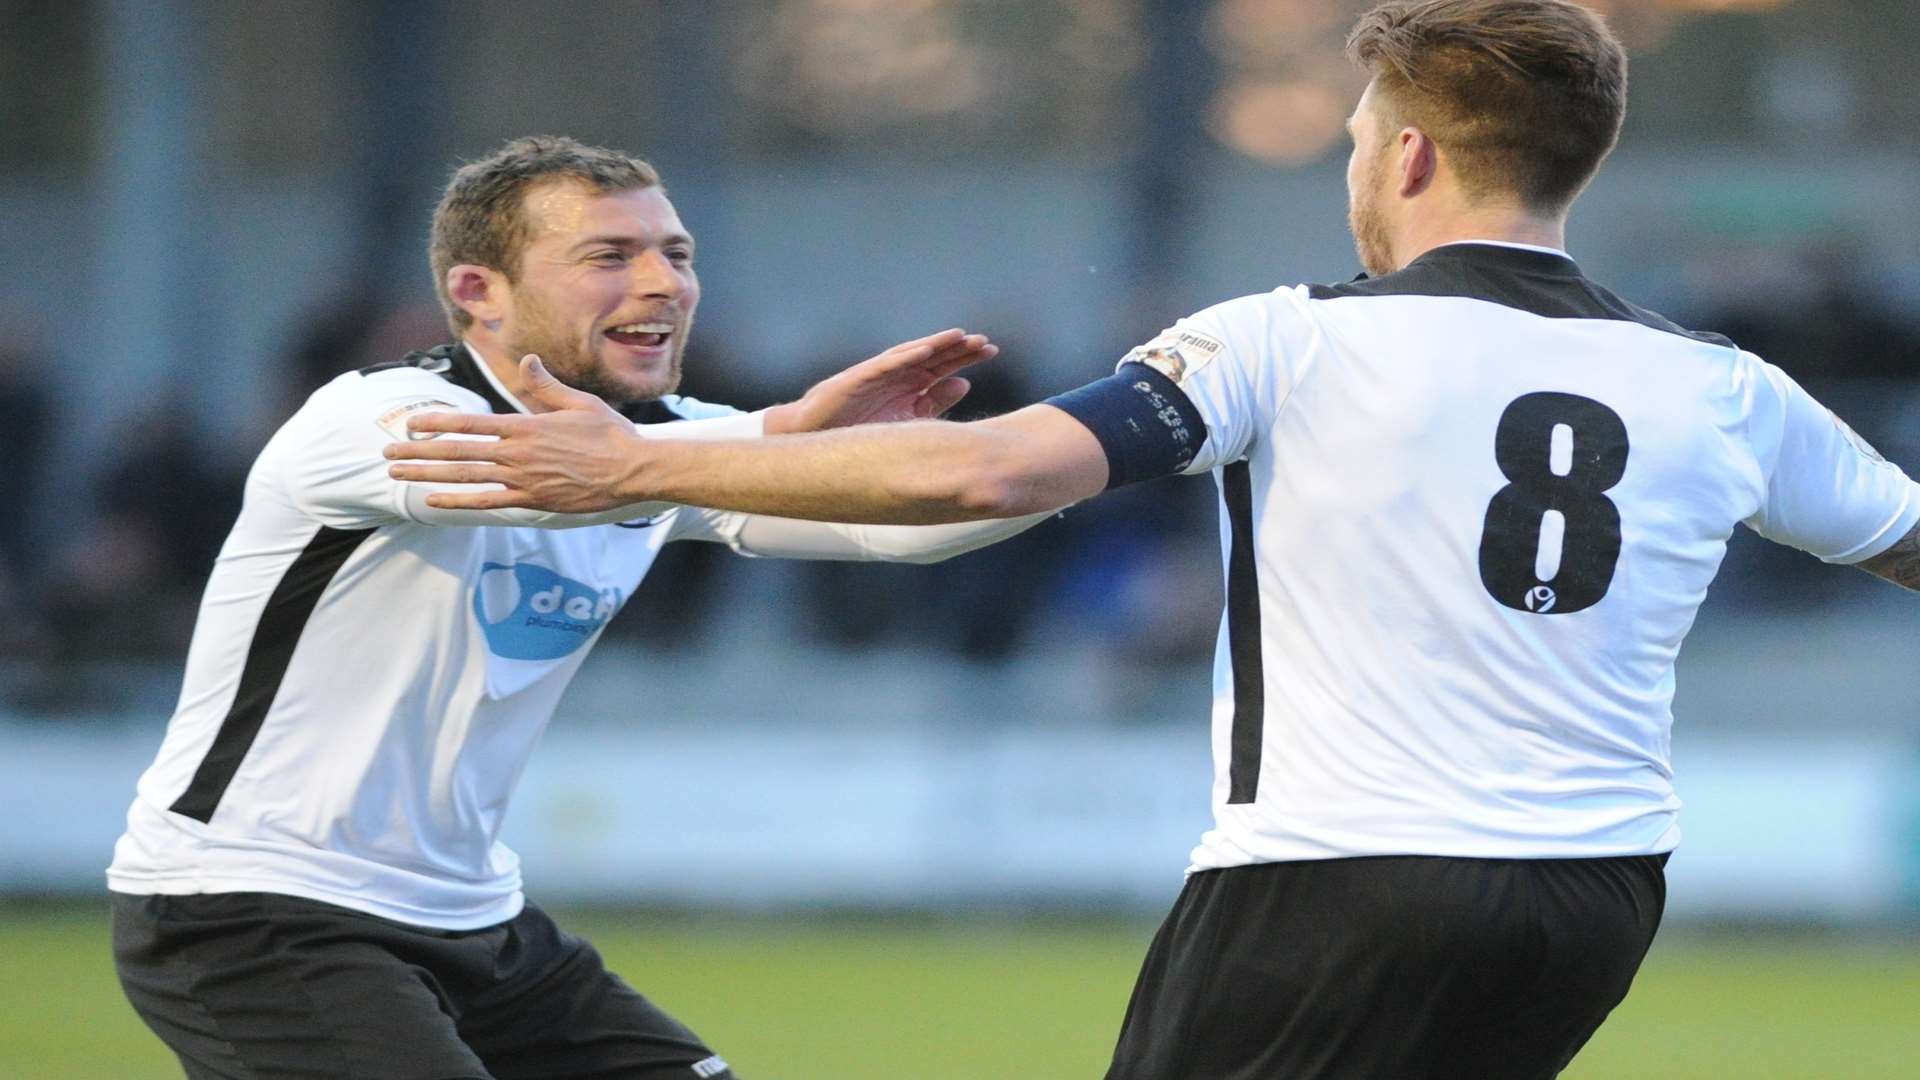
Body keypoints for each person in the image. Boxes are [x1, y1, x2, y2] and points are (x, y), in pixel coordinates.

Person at [391, 4, 1920, 1078]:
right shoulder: (1725, 386)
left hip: (1340, 882)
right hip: (1595, 898)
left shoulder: (1287, 340)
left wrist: (636, 468)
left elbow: (993, 476)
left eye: (1354, 136)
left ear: (1404, 159)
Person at [107, 135, 1050, 1080]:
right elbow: (575, 480)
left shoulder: (667, 446)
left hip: (478, 919)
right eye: (609, 256)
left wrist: (1085, 447)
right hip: (252, 906)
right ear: (480, 292)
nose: (663, 284)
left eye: (676, 254)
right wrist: (781, 443)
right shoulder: (374, 418)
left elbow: (895, 530)